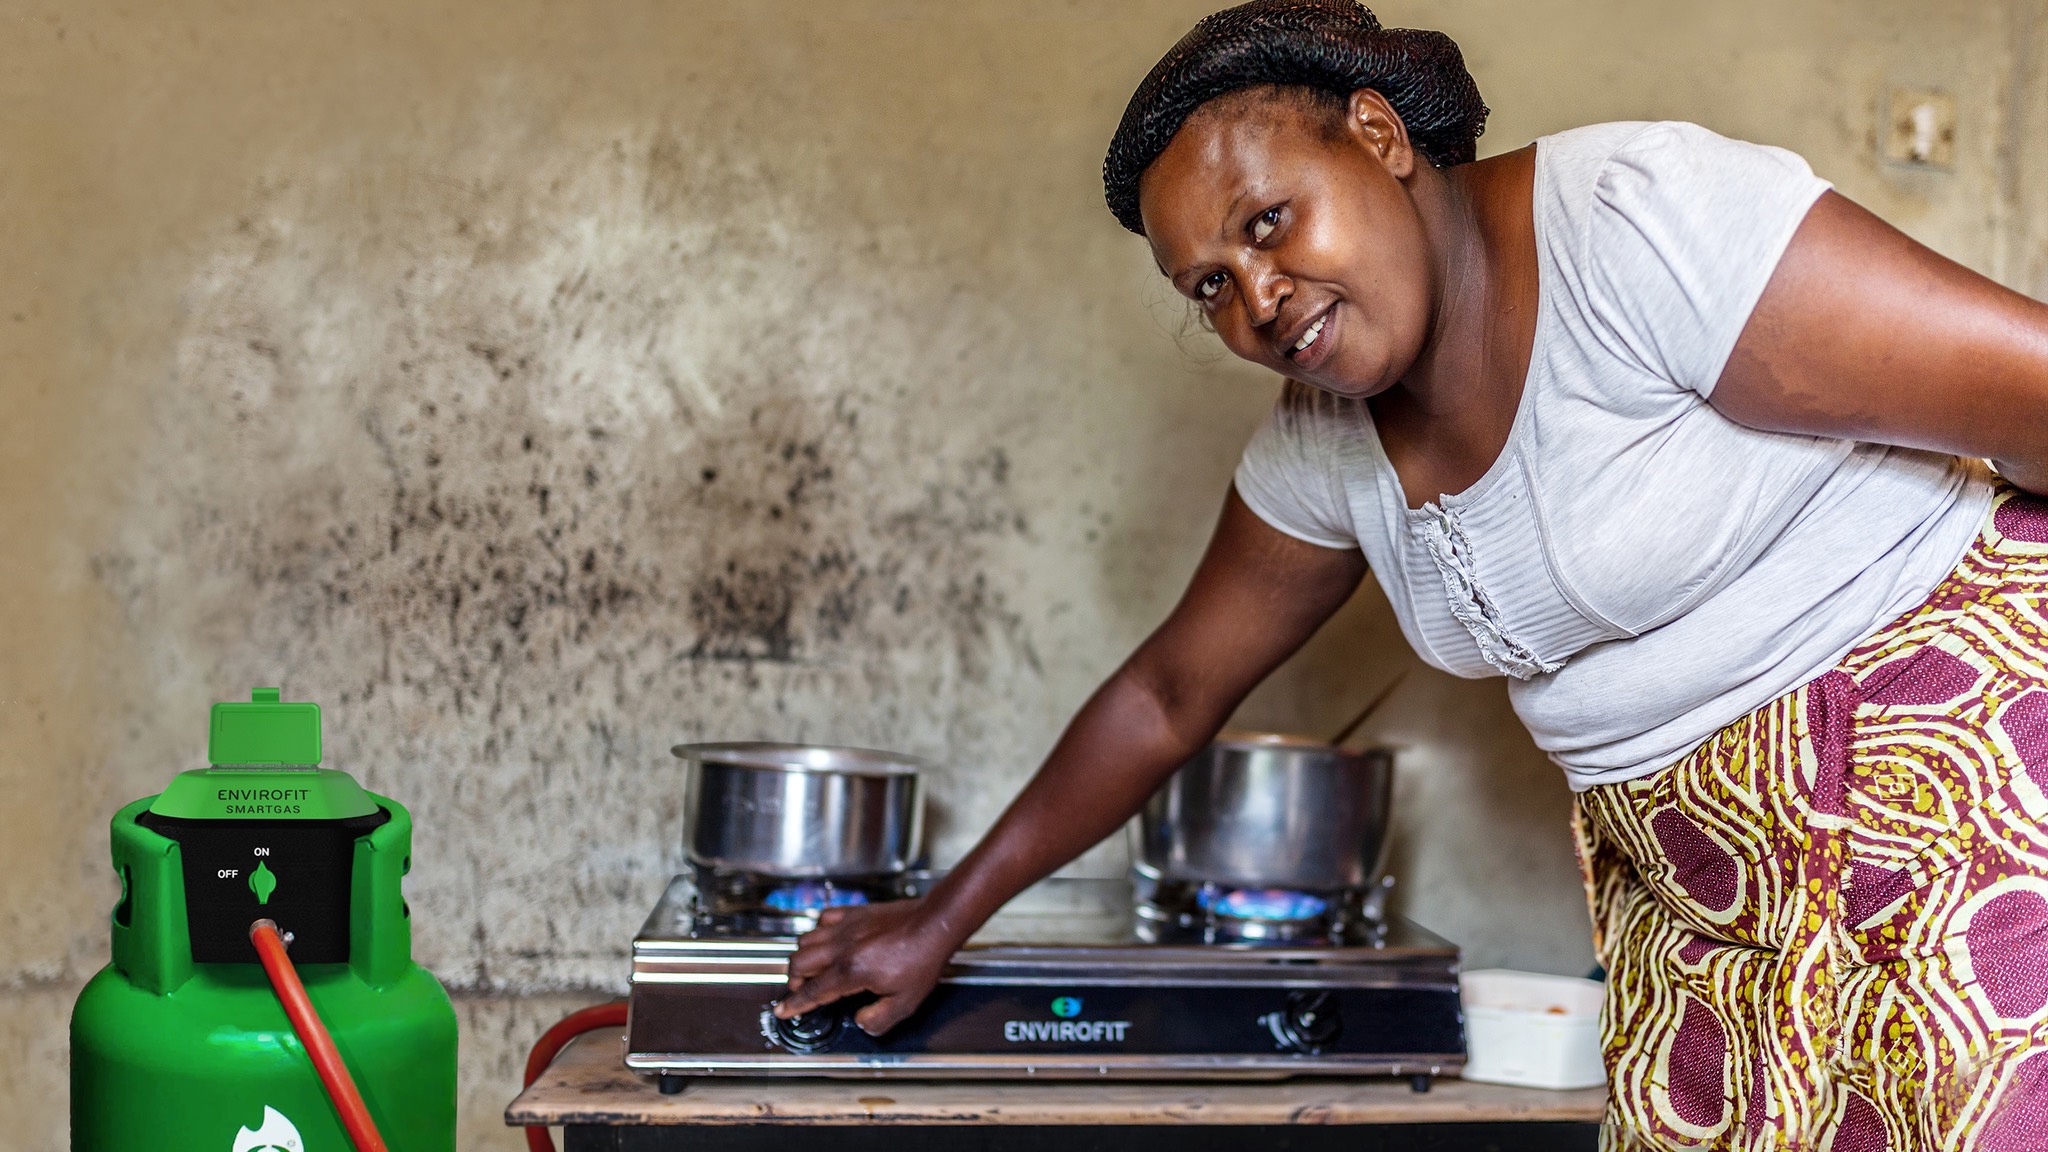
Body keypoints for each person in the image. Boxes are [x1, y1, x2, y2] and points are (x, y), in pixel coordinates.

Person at [780, 1, 2048, 1145]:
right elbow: (1168, 692)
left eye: (1267, 223)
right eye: (1209, 286)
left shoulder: (1629, 225)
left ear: (1378, 136)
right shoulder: (1320, 447)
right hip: (1706, 912)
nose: (1259, 300)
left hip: (1956, 808)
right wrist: (943, 917)